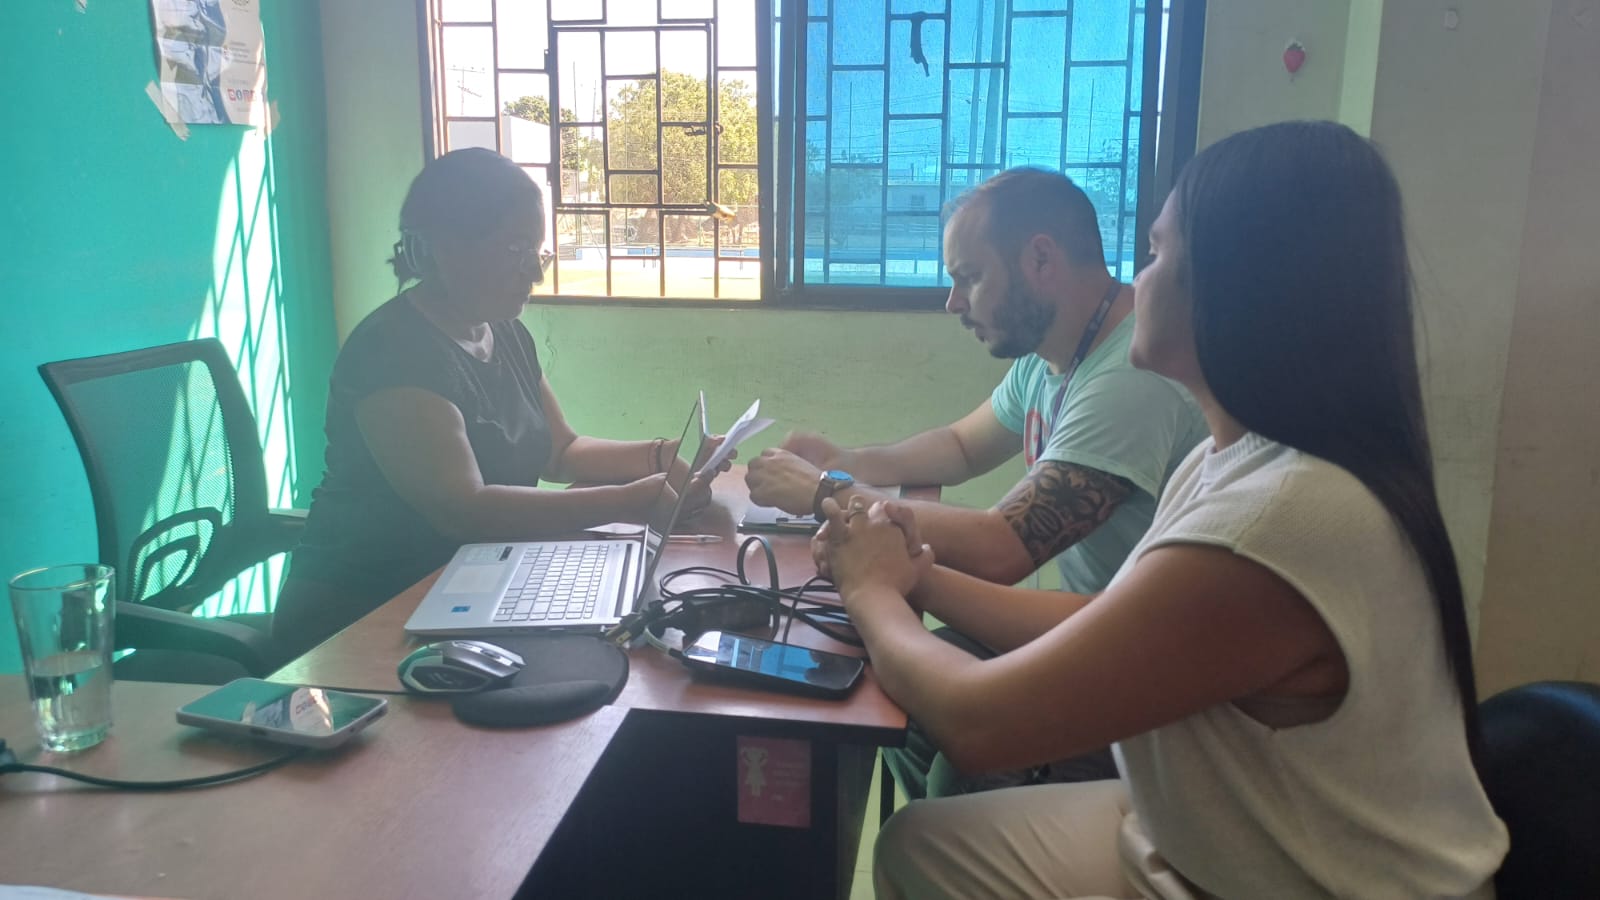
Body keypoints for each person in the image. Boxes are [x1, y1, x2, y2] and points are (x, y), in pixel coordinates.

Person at [819, 121, 1508, 899]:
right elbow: (1107, 619)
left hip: (1312, 880)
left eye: (1155, 255)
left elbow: (981, 724)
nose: (1132, 282)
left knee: (943, 792)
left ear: (1237, 288)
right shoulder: (1231, 461)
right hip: (1224, 833)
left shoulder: (1280, 519)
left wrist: (872, 590)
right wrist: (914, 574)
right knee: (922, 845)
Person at [749, 167, 1208, 797]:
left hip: (1142, 681)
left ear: (1040, 259)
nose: (953, 302)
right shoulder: (1056, 354)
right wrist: (847, 459)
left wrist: (828, 490)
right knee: (893, 694)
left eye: (969, 277)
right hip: (1087, 625)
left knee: (940, 743)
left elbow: (1003, 547)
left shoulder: (1128, 377)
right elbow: (962, 446)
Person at [275, 149, 722, 657]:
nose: (535, 272)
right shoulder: (393, 353)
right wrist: (630, 501)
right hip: (367, 613)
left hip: (471, 587)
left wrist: (662, 456)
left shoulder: (505, 332)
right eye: (515, 250)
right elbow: (466, 511)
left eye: (538, 251)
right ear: (444, 248)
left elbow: (561, 452)